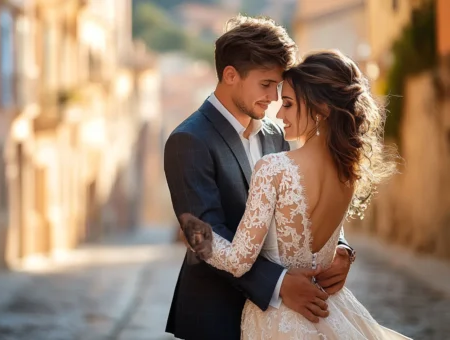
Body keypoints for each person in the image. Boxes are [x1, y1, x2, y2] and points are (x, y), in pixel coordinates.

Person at [180, 49, 409, 339]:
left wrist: (197, 235)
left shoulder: (274, 168)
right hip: (330, 308)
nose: (278, 112)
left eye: (287, 103)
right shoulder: (348, 172)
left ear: (321, 109)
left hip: (278, 320)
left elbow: (238, 260)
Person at [163, 16, 355, 340]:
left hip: (289, 320)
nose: (274, 98)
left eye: (279, 87)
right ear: (230, 75)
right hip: (218, 315)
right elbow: (205, 236)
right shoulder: (188, 140)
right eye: (266, 85)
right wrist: (279, 284)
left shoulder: (276, 134)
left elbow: (306, 196)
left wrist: (341, 249)